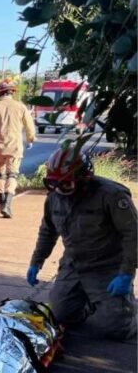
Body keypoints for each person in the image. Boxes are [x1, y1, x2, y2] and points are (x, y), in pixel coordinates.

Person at [27, 140, 136, 340]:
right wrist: (37, 261)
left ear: (84, 178)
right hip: (74, 264)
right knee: (61, 316)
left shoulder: (111, 195)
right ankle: (89, 301)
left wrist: (126, 273)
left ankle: (128, 309)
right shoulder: (54, 197)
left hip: (107, 266)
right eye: (54, 183)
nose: (60, 189)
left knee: (117, 329)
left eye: (66, 183)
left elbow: (133, 234)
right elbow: (48, 231)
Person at [0, 79, 36, 218]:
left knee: (0, 174)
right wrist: (30, 139)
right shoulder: (21, 107)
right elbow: (30, 127)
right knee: (12, 174)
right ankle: (8, 204)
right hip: (15, 147)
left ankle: (1, 201)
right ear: (12, 92)